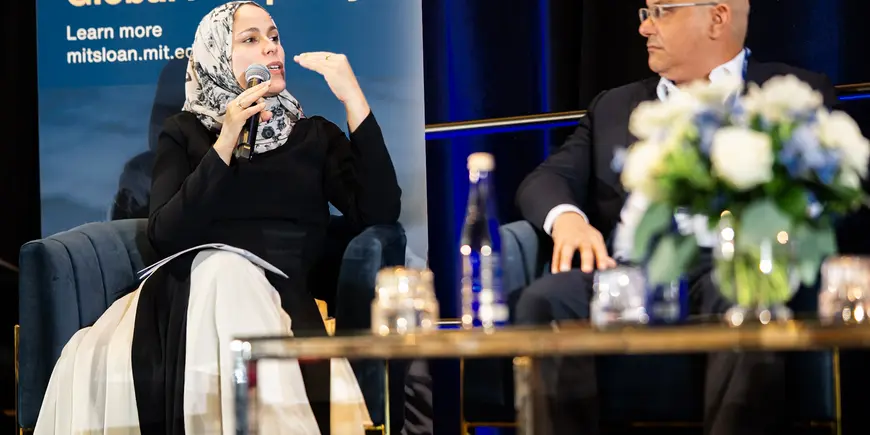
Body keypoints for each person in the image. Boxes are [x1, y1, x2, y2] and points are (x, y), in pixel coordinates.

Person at [33, 1, 401, 434]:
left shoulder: (313, 135)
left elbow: (379, 212)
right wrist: (226, 142)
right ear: (216, 58)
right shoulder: (186, 132)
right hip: (187, 298)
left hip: (280, 300)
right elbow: (164, 236)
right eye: (251, 39)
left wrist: (352, 98)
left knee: (232, 273)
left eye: (274, 37)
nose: (270, 48)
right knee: (223, 268)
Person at [514, 1, 837, 434]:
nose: (645, 27)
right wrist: (568, 219)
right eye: (644, 13)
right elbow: (546, 178)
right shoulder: (615, 106)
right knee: (546, 299)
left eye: (662, 11)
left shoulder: (791, 93)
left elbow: (825, 193)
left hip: (733, 265)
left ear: (717, 18)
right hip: (629, 274)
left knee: (748, 296)